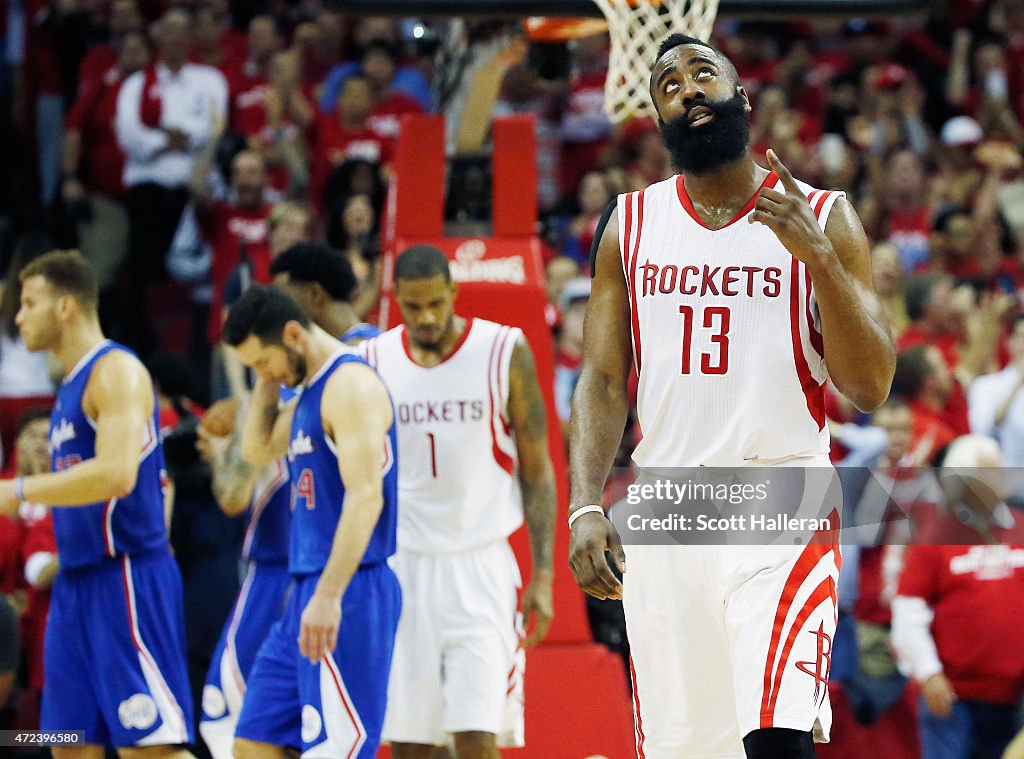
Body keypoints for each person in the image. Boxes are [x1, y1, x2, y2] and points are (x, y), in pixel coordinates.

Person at [568, 33, 895, 759]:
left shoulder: (825, 215)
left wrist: (819, 262)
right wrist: (586, 503)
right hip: (667, 510)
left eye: (702, 74)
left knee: (776, 737)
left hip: (781, 498)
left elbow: (870, 384)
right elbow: (598, 377)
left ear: (741, 97)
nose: (687, 88)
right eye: (667, 85)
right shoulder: (630, 226)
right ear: (658, 119)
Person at [361, 245, 556, 759]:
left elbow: (537, 471)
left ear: (453, 292)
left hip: (482, 567)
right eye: (412, 306)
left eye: (434, 303)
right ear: (396, 299)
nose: (425, 317)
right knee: (409, 745)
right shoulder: (372, 360)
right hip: (404, 567)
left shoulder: (502, 351)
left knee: (476, 737)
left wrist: (542, 576)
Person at [0, 250, 194, 756]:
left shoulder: (116, 370)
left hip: (125, 576)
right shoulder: (66, 389)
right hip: (76, 586)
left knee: (149, 747)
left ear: (65, 307)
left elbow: (116, 473)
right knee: (68, 744)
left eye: (28, 302)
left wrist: (18, 490)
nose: (18, 316)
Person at [222, 284, 400, 758]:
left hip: (348, 589)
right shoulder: (308, 390)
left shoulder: (349, 387)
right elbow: (257, 450)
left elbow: (366, 499)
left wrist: (327, 596)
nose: (265, 374)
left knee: (336, 751)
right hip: (305, 590)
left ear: (295, 333)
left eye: (263, 362)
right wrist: (266, 375)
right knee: (252, 742)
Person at [892, 435, 1024, 759]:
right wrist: (928, 673)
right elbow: (908, 611)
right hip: (952, 699)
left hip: (1017, 699)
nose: (1003, 476)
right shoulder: (936, 536)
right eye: (990, 471)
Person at [195, 396, 291, 759]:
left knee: (229, 714)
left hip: (275, 575)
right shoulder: (338, 397)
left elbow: (232, 497)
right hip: (328, 573)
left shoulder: (263, 409)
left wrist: (224, 450)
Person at [269, 241, 380, 344]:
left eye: (284, 297)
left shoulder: (360, 353)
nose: (279, 309)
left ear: (315, 294)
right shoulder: (371, 344)